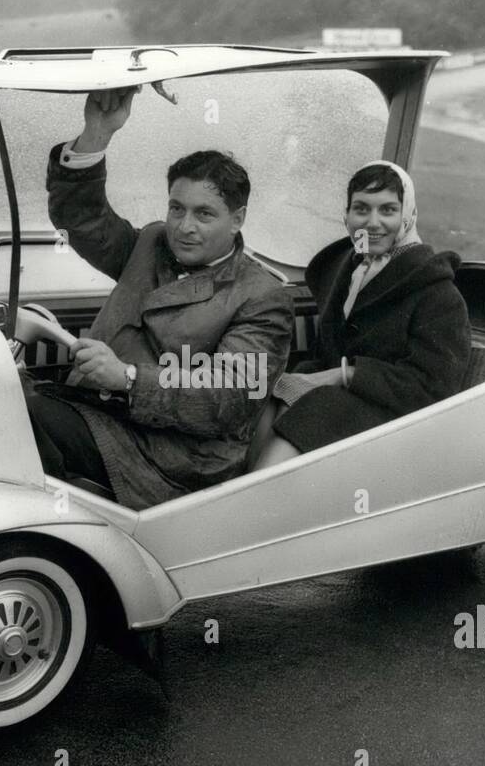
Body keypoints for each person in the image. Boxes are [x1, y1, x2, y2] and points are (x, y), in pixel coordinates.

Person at [27, 85, 295, 509]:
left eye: (204, 214)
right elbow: (81, 219)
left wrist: (127, 379)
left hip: (169, 457)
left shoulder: (262, 297)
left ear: (237, 219)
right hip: (101, 413)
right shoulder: (153, 242)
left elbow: (228, 398)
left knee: (25, 419)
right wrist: (96, 133)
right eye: (177, 208)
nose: (184, 226)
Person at [255, 160, 471, 467]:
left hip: (396, 425)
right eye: (361, 209)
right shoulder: (346, 272)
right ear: (346, 217)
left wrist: (346, 375)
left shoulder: (438, 294)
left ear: (408, 215)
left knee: (316, 404)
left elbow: (434, 388)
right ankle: (241, 486)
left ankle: (256, 492)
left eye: (388, 210)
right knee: (268, 392)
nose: (372, 222)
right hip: (339, 406)